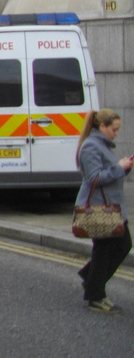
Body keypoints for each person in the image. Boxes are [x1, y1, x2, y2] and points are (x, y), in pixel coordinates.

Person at [75, 109, 132, 314]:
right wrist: (119, 167)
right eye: (114, 129)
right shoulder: (91, 146)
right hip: (100, 209)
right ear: (102, 127)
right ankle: (96, 296)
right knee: (106, 250)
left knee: (122, 245)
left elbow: (109, 172)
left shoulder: (101, 144)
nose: (116, 133)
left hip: (113, 208)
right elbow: (94, 179)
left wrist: (125, 167)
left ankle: (90, 280)